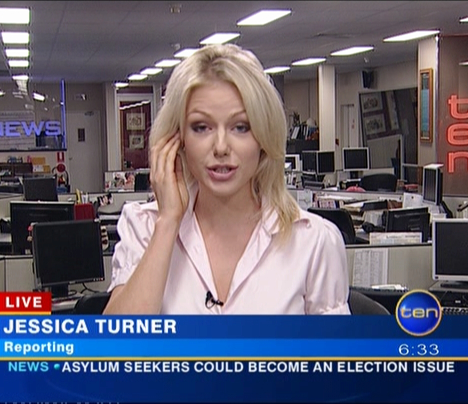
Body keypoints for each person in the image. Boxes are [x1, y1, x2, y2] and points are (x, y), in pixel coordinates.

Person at [104, 44, 349, 315]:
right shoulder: (145, 227)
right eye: (201, 127)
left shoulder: (314, 242)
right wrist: (168, 222)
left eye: (240, 127)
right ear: (178, 139)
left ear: (263, 137)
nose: (221, 147)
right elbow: (117, 341)